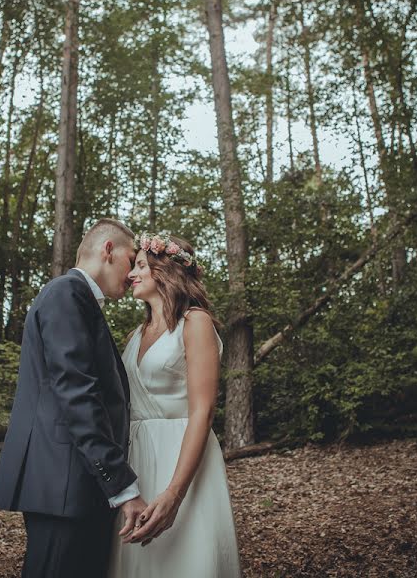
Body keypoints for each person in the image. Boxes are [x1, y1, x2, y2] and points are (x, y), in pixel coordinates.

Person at [0, 219, 148, 578]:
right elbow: (77, 393)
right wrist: (121, 484)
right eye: (131, 258)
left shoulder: (79, 299)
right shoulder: (67, 293)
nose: (134, 271)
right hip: (63, 480)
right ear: (108, 250)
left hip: (75, 480)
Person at [108, 233, 242, 577]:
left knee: (183, 560)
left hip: (179, 460)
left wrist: (175, 493)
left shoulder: (194, 322)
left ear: (164, 270)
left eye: (140, 266)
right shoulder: (136, 334)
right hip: (136, 461)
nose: (131, 275)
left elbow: (203, 411)